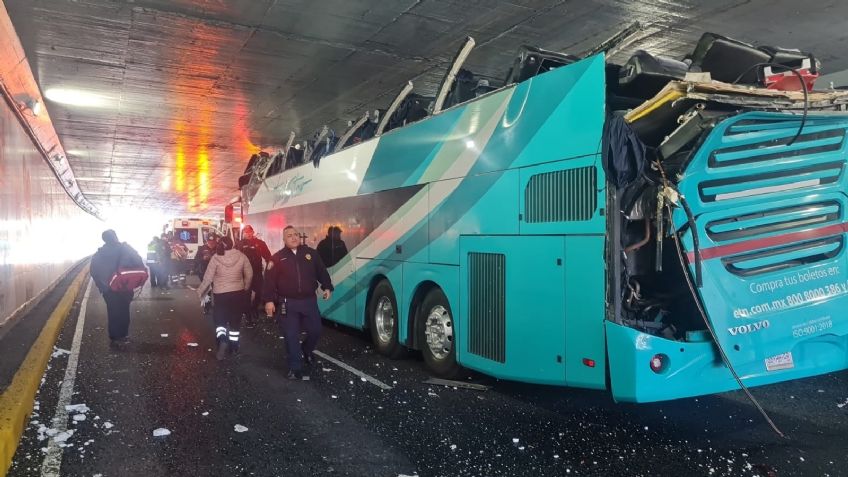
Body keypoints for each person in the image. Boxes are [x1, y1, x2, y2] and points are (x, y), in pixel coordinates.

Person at [263, 225, 333, 380]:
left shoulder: (311, 254)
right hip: (288, 303)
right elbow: (269, 281)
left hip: (309, 302)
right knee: (291, 335)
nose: (294, 237)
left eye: (295, 234)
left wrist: (327, 286)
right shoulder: (277, 258)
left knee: (315, 330)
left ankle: (306, 350)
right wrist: (269, 301)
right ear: (284, 239)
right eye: (289, 236)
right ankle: (295, 368)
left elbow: (321, 271)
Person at [197, 236, 252, 360]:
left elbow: (208, 278)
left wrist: (201, 292)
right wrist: (246, 287)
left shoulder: (215, 258)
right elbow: (249, 273)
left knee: (220, 321)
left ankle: (222, 340)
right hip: (237, 293)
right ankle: (234, 348)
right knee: (235, 322)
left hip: (220, 295)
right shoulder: (241, 256)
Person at [90, 229, 144, 345]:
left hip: (108, 289)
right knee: (124, 310)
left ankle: (114, 336)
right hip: (124, 286)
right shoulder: (126, 248)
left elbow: (93, 271)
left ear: (104, 240)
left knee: (112, 311)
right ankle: (123, 335)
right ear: (115, 236)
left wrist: (101, 286)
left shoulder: (99, 253)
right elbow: (138, 261)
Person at [236, 225, 272, 326]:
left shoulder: (260, 243)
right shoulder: (239, 244)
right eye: (245, 232)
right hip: (244, 274)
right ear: (243, 233)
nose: (248, 234)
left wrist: (270, 268)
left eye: (249, 232)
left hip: (257, 273)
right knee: (246, 296)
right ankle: (248, 316)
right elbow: (234, 258)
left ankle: (254, 308)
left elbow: (268, 257)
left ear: (253, 232)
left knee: (260, 293)